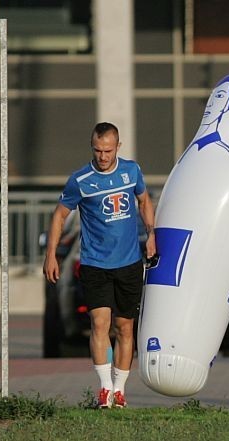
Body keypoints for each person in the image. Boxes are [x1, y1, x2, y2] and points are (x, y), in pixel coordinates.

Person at [43, 122, 156, 409]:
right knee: (99, 323)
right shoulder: (80, 180)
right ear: (91, 147)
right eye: (97, 150)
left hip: (129, 262)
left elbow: (144, 201)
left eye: (107, 150)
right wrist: (51, 254)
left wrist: (152, 233)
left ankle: (120, 391)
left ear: (118, 147)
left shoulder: (132, 171)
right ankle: (105, 389)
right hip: (95, 263)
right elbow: (59, 215)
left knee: (125, 328)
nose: (102, 156)